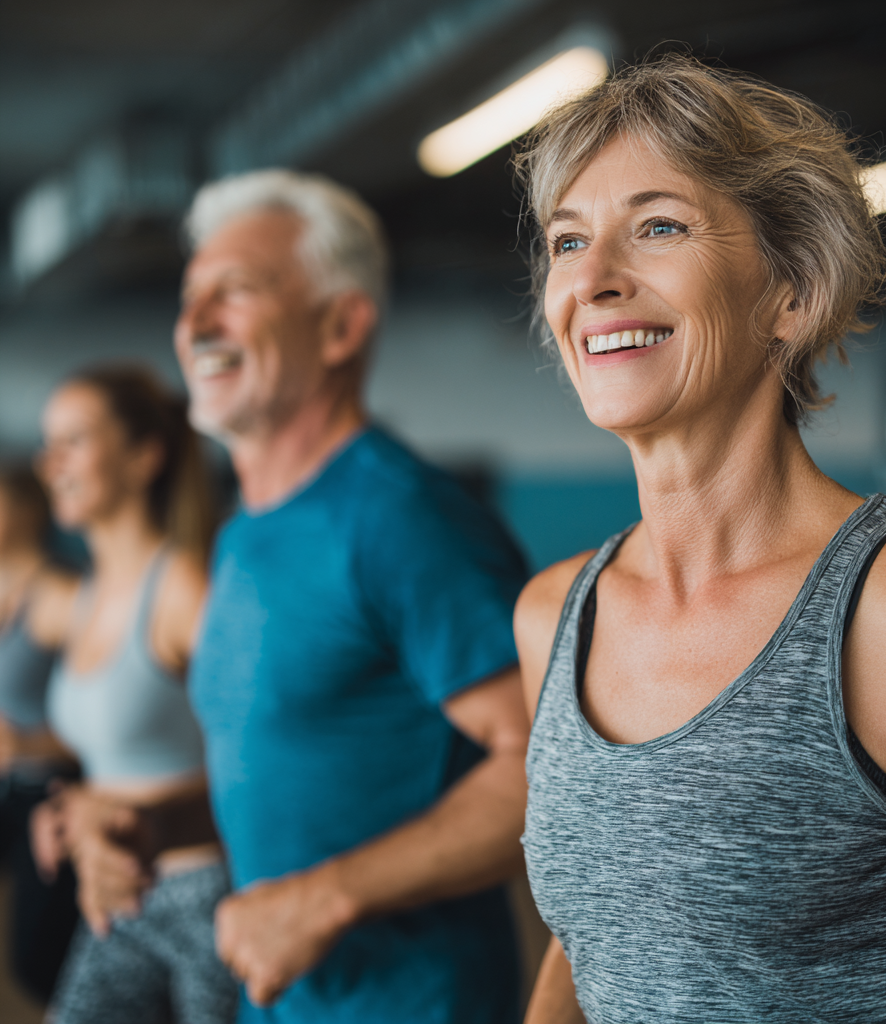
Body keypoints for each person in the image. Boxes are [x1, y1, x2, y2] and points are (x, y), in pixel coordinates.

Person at [512, 54, 886, 1024]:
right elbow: (601, 938)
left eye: (657, 227)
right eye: (567, 240)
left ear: (789, 292)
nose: (595, 280)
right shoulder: (552, 618)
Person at [59, 170, 528, 1023]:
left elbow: (548, 767)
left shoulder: (404, 519)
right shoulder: (243, 536)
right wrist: (152, 826)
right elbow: (291, 778)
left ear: (342, 325)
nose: (196, 324)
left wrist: (326, 897)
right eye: (191, 296)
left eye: (235, 291)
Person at [30, 365, 236, 1024]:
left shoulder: (183, 590)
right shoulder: (82, 596)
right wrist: (69, 810)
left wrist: (138, 815)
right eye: (48, 443)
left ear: (145, 456)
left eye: (75, 441)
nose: (50, 462)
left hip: (206, 892)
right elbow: (117, 745)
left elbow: (257, 761)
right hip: (118, 894)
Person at [0, 463, 80, 1001]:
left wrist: (23, 744)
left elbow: (108, 727)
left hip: (45, 791)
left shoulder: (62, 595)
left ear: (28, 509)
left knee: (36, 961)